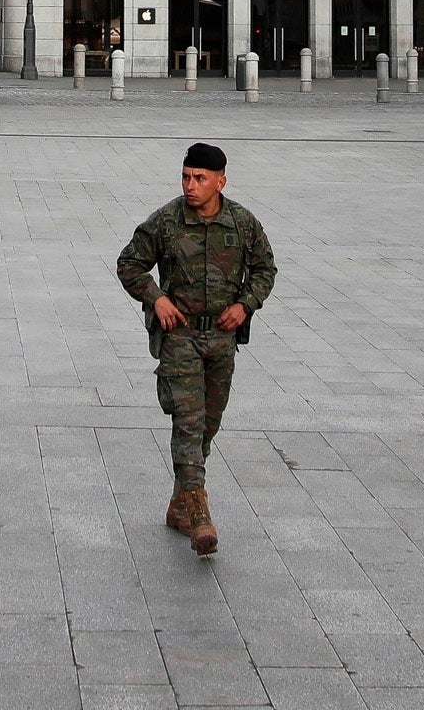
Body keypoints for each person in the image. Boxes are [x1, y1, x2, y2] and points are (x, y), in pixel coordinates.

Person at [115, 142, 277, 556]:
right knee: (188, 422)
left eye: (200, 179)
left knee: (207, 425)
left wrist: (245, 305)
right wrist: (156, 298)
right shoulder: (167, 221)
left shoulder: (242, 223)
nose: (191, 185)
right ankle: (200, 512)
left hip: (222, 338)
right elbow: (129, 263)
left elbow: (265, 269)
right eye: (186, 177)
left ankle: (179, 502)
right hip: (180, 338)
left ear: (220, 182)